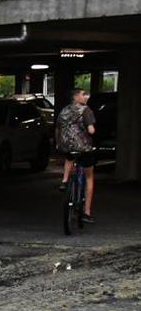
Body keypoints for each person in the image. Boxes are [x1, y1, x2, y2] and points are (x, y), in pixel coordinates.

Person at [56, 87, 97, 221]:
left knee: (70, 157)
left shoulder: (64, 110)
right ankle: (87, 212)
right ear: (76, 97)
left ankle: (65, 180)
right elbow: (91, 131)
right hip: (83, 147)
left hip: (66, 145)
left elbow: (58, 128)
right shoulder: (86, 110)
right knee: (89, 177)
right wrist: (91, 129)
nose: (86, 97)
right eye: (83, 94)